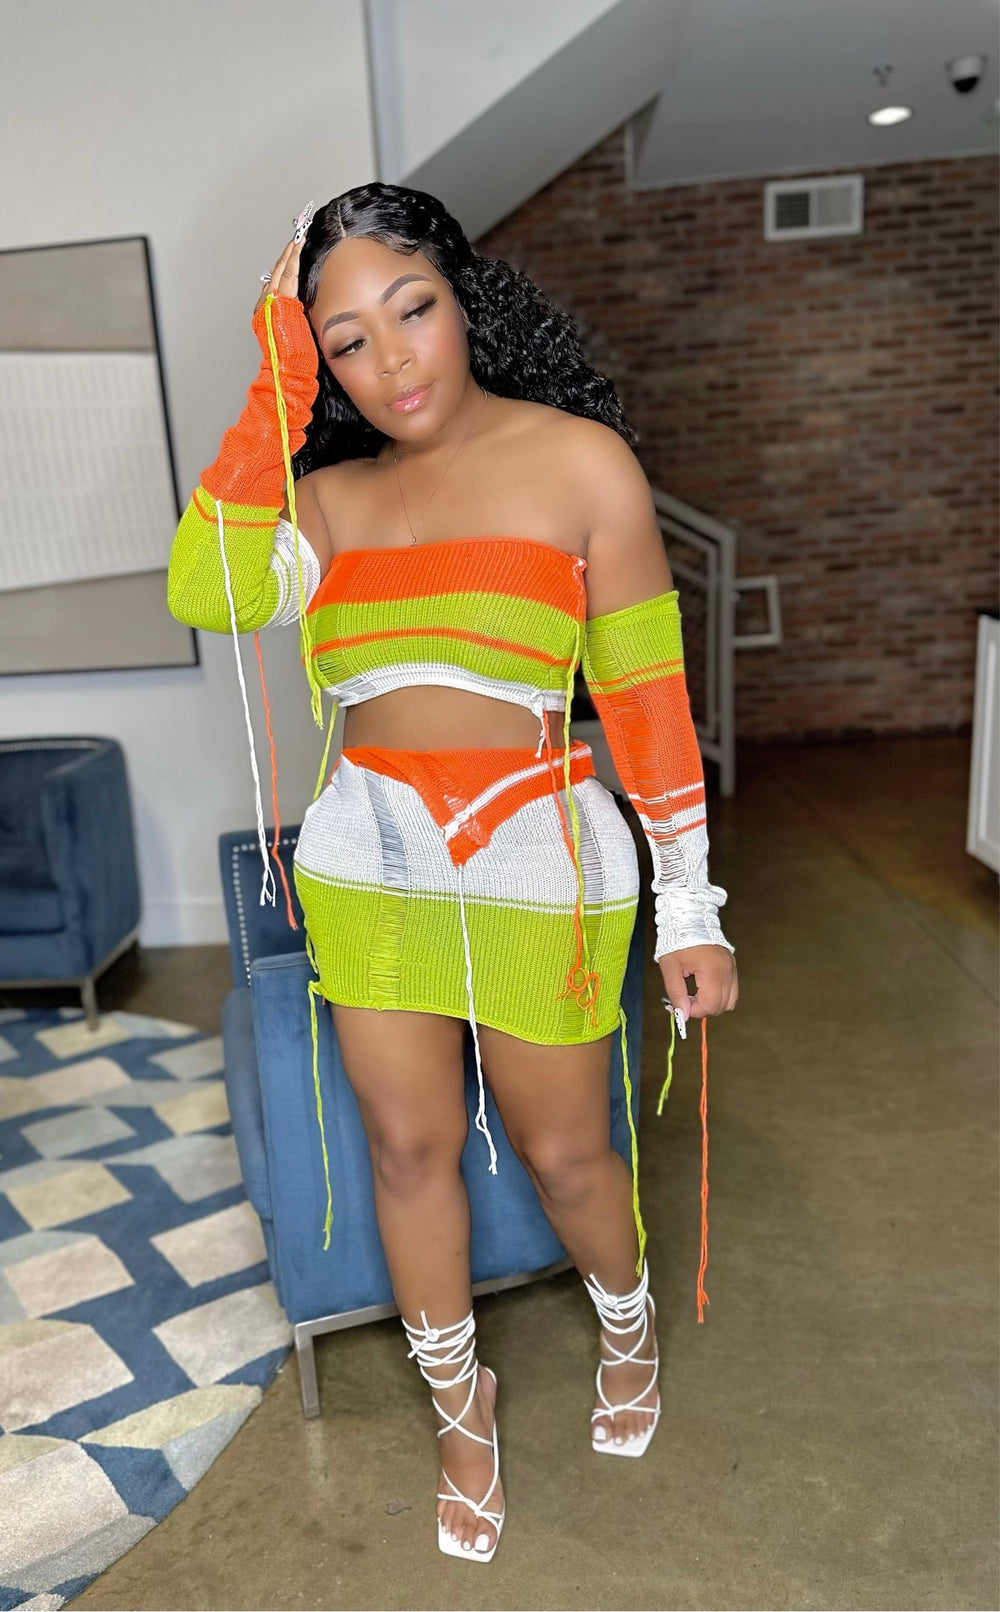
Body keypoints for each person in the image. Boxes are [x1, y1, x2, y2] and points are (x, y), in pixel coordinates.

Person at [167, 182, 738, 1564]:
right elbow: (207, 589)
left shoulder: (582, 464)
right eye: (345, 339)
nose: (392, 358)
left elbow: (647, 701)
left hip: (545, 858)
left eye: (411, 309)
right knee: (408, 1150)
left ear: (463, 300)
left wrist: (690, 905)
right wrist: (274, 380)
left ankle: (624, 1328)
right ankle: (460, 1411)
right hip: (371, 861)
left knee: (567, 1155)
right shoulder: (325, 499)